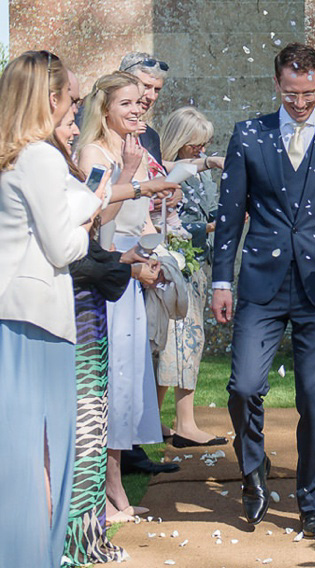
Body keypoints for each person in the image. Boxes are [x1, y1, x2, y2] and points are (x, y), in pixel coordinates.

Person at [211, 42, 315, 537]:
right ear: (277, 84)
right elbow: (229, 216)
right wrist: (221, 280)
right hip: (260, 282)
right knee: (243, 387)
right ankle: (253, 468)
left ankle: (311, 503)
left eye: (309, 94)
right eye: (291, 93)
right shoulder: (248, 135)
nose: (300, 104)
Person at [0, 50, 100, 568]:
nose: (76, 109)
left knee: (18, 451)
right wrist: (89, 210)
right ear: (50, 98)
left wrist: (81, 199)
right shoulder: (39, 157)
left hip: (14, 317)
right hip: (36, 319)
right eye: (72, 99)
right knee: (39, 454)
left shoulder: (14, 153)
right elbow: (64, 246)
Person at [53, 103, 152, 566]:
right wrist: (133, 179)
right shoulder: (46, 161)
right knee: (84, 422)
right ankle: (73, 536)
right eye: (67, 115)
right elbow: (78, 230)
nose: (73, 126)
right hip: (72, 300)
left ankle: (84, 533)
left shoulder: (63, 158)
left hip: (90, 294)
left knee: (95, 415)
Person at [77, 71, 173, 523]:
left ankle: (114, 476)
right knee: (109, 383)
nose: (138, 109)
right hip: (107, 278)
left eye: (141, 103)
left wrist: (154, 258)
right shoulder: (94, 152)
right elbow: (95, 218)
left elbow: (142, 217)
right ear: (105, 108)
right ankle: (106, 483)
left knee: (128, 382)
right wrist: (132, 175)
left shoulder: (134, 147)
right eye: (127, 104)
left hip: (134, 273)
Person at [156, 106, 226, 448]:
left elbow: (210, 210)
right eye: (195, 144)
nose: (201, 149)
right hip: (178, 265)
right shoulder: (167, 171)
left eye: (205, 143)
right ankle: (181, 422)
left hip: (200, 264)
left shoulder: (202, 175)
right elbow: (168, 224)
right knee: (178, 342)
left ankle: (164, 420)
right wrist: (210, 226)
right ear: (179, 141)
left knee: (185, 343)